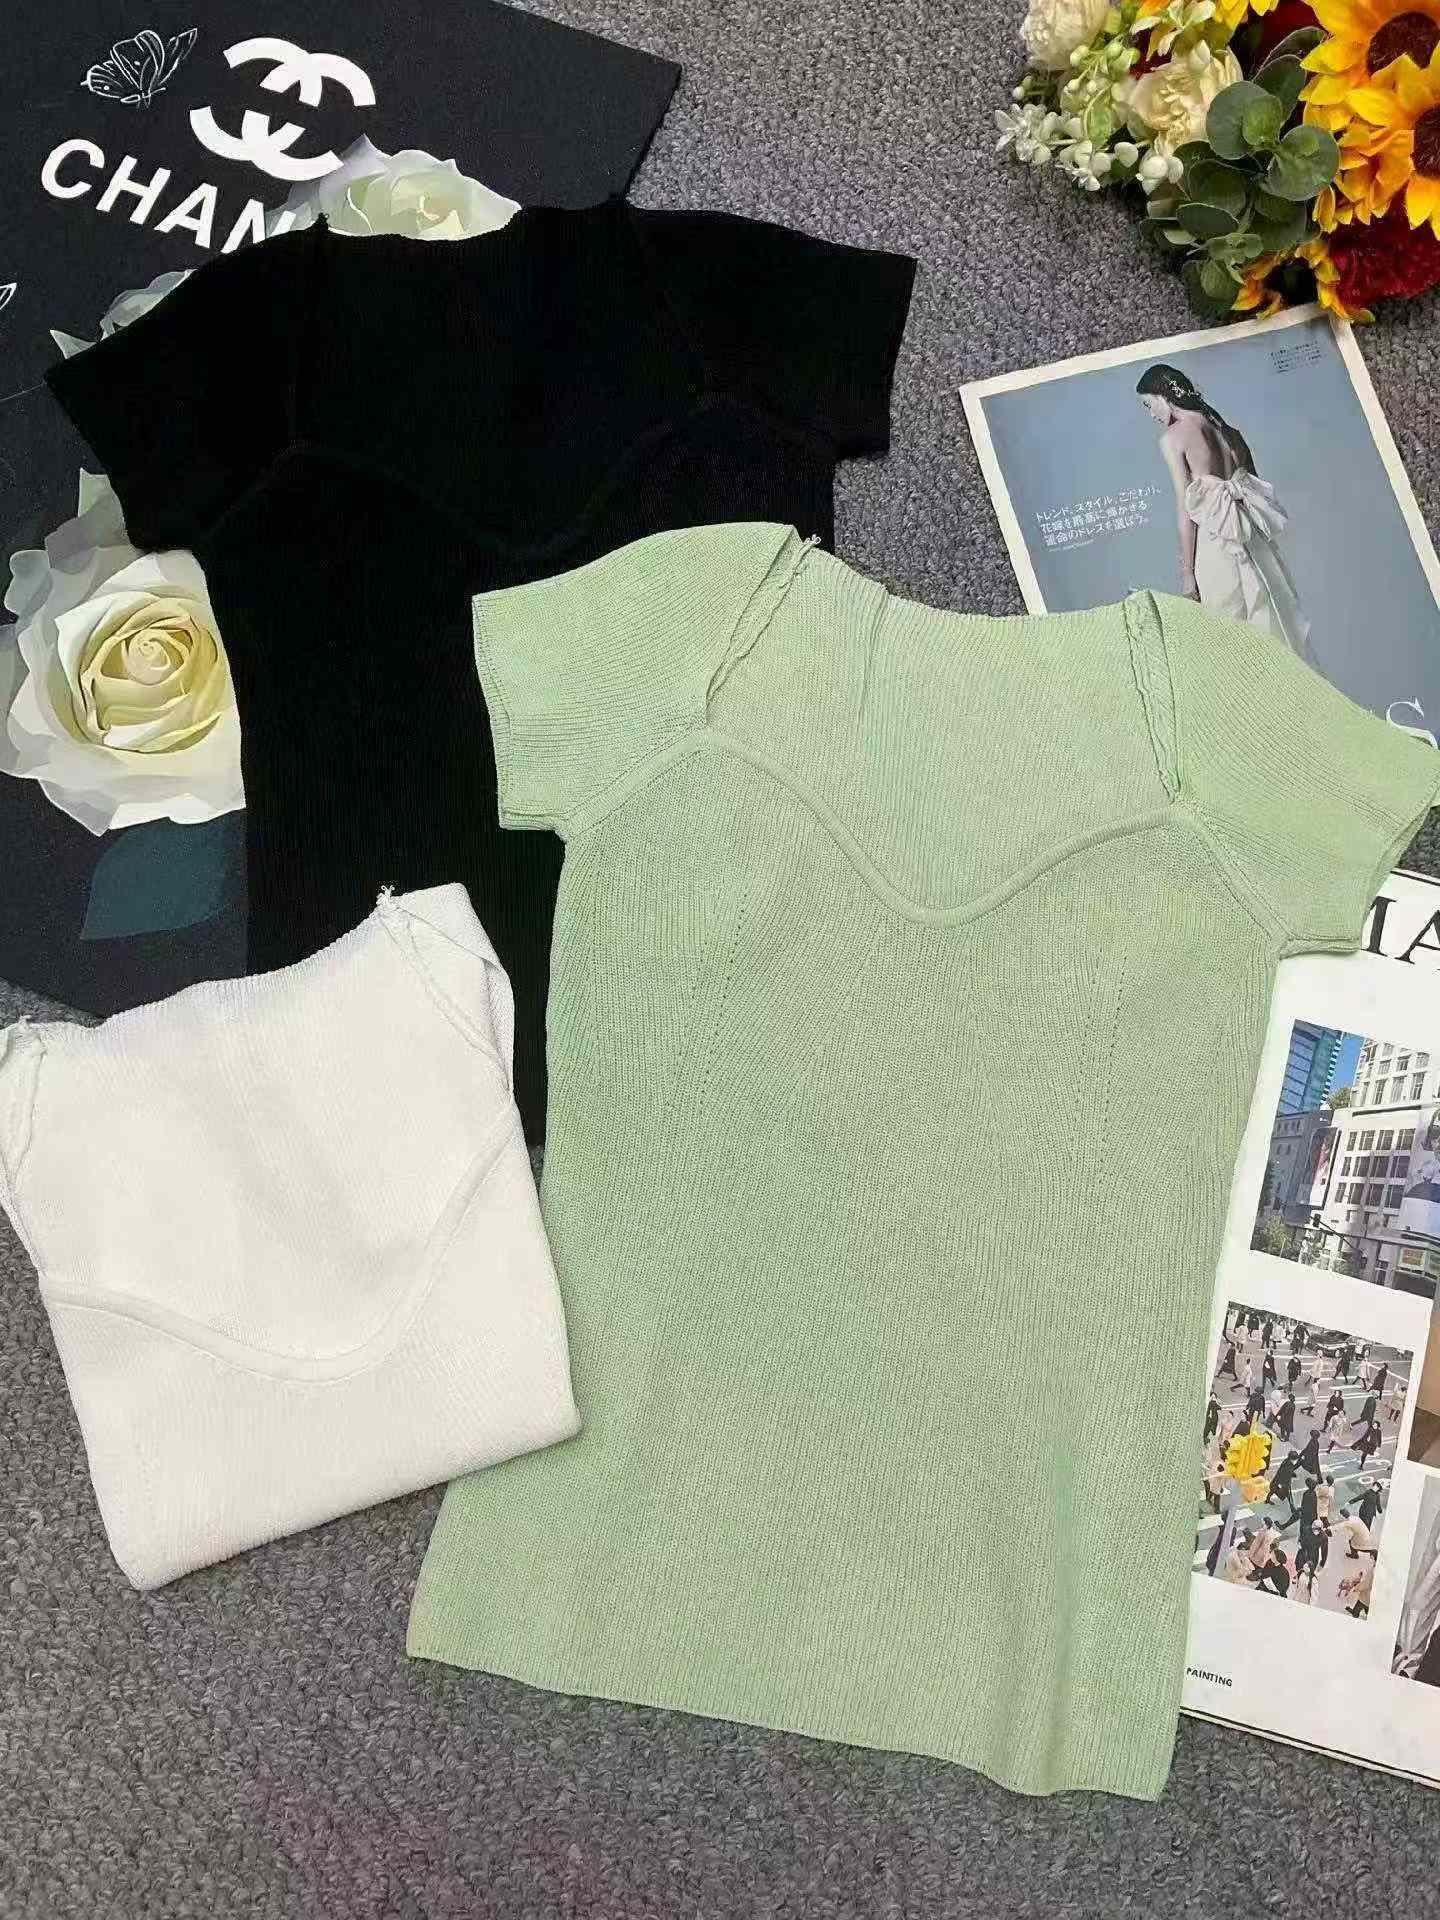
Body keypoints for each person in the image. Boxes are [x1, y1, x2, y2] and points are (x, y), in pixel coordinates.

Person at [1135, 363, 1310, 655]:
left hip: (1216, 544)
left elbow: (1185, 511)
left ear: (1163, 395)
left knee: (1228, 642)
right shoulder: (1229, 431)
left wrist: (1188, 574)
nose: (1151, 414)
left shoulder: (1173, 438)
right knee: (1271, 633)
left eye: (1148, 404)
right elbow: (1255, 489)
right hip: (1253, 543)